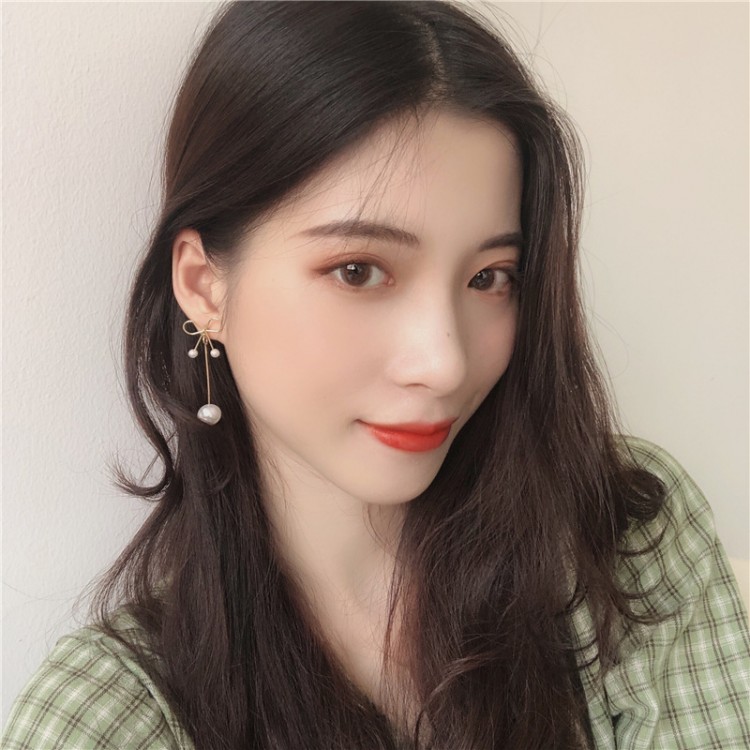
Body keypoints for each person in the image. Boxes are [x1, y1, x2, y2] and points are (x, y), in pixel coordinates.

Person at [3, 2, 748, 749]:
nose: (445, 362)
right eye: (358, 270)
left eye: (490, 277)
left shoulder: (626, 540)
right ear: (204, 285)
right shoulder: (109, 717)